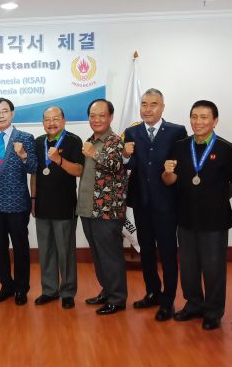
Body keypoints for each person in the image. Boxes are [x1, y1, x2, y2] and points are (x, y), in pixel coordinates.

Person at [163, 100, 232, 330]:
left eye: (204, 117)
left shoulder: (226, 149)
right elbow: (169, 180)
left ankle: (213, 311)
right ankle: (193, 303)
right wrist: (167, 173)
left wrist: (215, 198)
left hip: (214, 219)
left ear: (215, 121)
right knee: (188, 267)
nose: (198, 122)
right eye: (194, 117)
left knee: (214, 268)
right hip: (185, 216)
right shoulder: (180, 146)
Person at [122, 88, 187, 321]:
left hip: (166, 203)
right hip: (141, 202)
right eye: (144, 104)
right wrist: (125, 155)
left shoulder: (177, 131)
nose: (148, 109)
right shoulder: (132, 132)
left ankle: (168, 301)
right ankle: (152, 292)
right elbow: (129, 166)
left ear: (162, 107)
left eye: (153, 104)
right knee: (146, 251)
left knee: (168, 253)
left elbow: (180, 165)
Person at [0, 98, 37, 305]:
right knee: (0, 247)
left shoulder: (25, 138)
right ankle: (6, 285)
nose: (1, 115)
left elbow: (33, 168)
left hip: (17, 204)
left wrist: (23, 155)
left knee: (21, 247)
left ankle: (21, 288)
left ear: (12, 113)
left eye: (5, 111)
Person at [77, 99, 128, 315]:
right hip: (88, 209)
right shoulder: (90, 141)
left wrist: (93, 153)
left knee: (110, 255)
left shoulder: (115, 141)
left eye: (101, 115)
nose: (96, 119)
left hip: (107, 211)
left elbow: (116, 165)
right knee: (98, 255)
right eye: (92, 115)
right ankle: (107, 291)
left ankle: (117, 298)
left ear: (110, 117)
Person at [30, 106, 83, 309]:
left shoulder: (73, 141)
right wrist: (33, 199)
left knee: (65, 252)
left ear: (63, 120)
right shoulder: (38, 142)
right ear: (43, 122)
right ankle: (49, 290)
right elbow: (35, 173)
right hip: (42, 205)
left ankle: (68, 291)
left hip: (64, 206)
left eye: (55, 119)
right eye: (47, 119)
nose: (51, 123)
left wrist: (59, 160)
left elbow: (79, 170)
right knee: (46, 250)